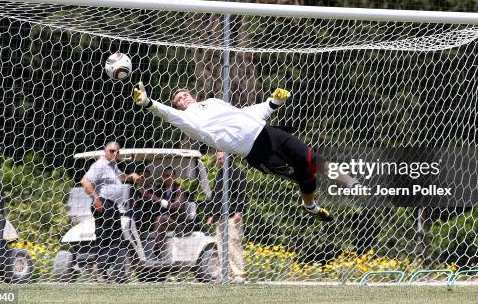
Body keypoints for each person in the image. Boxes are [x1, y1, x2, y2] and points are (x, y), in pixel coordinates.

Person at [132, 82, 334, 222]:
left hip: (266, 133)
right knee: (304, 176)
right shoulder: (189, 120)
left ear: (191, 95)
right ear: (177, 105)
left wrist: (273, 103)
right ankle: (311, 207)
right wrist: (149, 104)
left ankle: (351, 184)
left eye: (184, 94)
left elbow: (244, 113)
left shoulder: (212, 102)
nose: (182, 98)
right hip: (256, 153)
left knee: (315, 161)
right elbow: (169, 115)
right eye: (178, 99)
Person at [80, 141, 142, 274]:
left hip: (112, 205)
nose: (115, 153)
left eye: (117, 151)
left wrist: (131, 177)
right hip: (104, 203)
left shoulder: (113, 166)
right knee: (109, 237)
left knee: (113, 238)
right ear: (105, 151)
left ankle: (103, 267)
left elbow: (121, 177)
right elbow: (85, 181)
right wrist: (96, 199)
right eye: (112, 151)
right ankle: (101, 265)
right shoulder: (100, 165)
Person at [206, 150, 247, 283]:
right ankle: (226, 275)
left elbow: (242, 195)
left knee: (233, 245)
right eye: (218, 158)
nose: (218, 160)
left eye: (221, 158)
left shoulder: (238, 173)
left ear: (228, 158)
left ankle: (238, 275)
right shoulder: (220, 174)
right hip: (220, 217)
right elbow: (215, 196)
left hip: (232, 216)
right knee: (220, 246)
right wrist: (211, 214)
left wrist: (239, 212)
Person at [133, 166, 190, 251]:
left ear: (174, 176)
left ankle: (159, 251)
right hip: (162, 220)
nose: (168, 178)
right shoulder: (160, 188)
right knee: (140, 217)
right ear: (162, 177)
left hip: (176, 221)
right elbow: (150, 197)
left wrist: (158, 199)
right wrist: (144, 195)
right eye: (165, 176)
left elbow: (176, 207)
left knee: (159, 219)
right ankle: (136, 250)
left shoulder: (179, 189)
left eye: (170, 175)